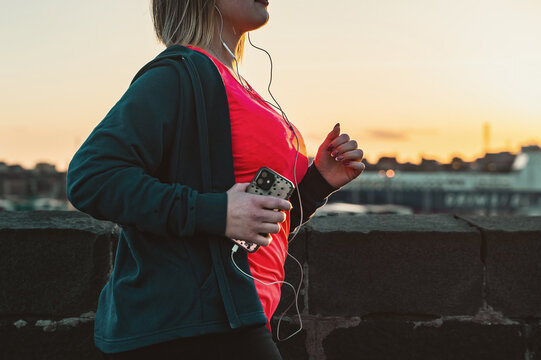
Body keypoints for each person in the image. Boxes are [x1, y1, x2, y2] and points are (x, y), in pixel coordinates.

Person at [66, 0, 365, 358]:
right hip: (192, 327)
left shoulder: (241, 88)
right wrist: (217, 212)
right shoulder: (178, 73)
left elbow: (254, 227)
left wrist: (317, 184)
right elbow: (91, 176)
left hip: (238, 316)